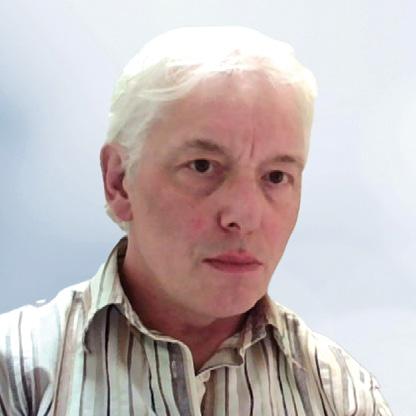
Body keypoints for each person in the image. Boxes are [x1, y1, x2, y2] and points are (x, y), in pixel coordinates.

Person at [0, 26, 392, 415]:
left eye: (276, 176)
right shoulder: (16, 373)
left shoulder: (342, 396)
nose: (243, 216)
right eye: (203, 166)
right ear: (118, 182)